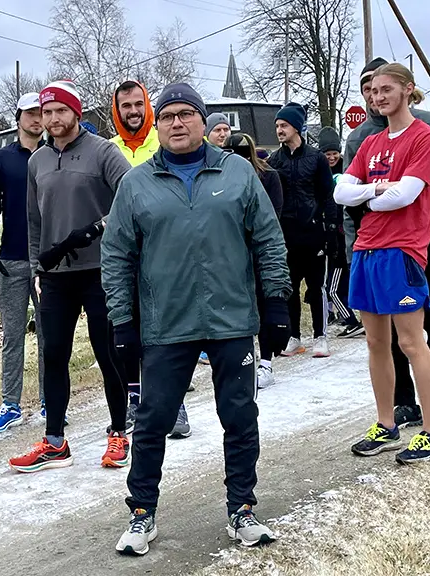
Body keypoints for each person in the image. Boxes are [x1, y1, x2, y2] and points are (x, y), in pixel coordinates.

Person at [102, 83, 291, 556]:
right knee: (152, 420)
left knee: (241, 416)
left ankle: (242, 509)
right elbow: (116, 255)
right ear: (156, 124)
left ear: (204, 122)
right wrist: (123, 322)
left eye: (187, 114)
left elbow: (268, 239)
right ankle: (142, 513)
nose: (178, 123)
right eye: (167, 116)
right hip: (167, 324)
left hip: (231, 320)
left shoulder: (238, 173)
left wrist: (277, 302)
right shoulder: (136, 184)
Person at [9, 80, 133, 473]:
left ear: (76, 113)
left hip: (101, 271)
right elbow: (33, 220)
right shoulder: (37, 162)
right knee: (54, 355)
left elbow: (136, 198)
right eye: (46, 112)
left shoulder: (103, 153)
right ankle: (54, 442)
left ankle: (118, 433)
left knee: (108, 353)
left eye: (60, 110)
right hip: (55, 275)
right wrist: (35, 267)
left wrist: (97, 229)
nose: (53, 119)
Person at [335, 62, 430, 464]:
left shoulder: (426, 136)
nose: (377, 96)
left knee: (411, 341)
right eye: (372, 91)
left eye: (386, 89)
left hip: (402, 251)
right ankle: (387, 425)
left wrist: (368, 194)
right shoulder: (369, 142)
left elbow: (403, 196)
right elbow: (340, 193)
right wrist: (375, 190)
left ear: (407, 90)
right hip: (366, 249)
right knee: (375, 342)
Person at [110, 80, 191, 438]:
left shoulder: (164, 143)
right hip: (126, 255)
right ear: (117, 110)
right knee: (126, 330)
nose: (132, 112)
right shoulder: (106, 149)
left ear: (148, 108)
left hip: (165, 255)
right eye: (125, 106)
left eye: (138, 105)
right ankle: (134, 399)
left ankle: (177, 406)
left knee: (167, 332)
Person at [0, 93, 48, 433]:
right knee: (13, 334)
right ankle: (10, 404)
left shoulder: (55, 155)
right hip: (12, 260)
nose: (38, 119)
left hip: (49, 261)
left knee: (49, 334)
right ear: (19, 117)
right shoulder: (1, 160)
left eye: (42, 113)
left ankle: (51, 400)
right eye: (31, 113)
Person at [268, 102, 339, 358]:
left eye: (284, 125)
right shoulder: (274, 160)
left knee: (316, 285)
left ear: (296, 127)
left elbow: (327, 195)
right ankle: (294, 336)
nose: (279, 130)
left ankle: (321, 335)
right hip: (286, 234)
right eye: (277, 125)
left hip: (313, 232)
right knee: (290, 286)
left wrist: (331, 230)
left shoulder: (316, 158)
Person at [225, 132, 286, 388]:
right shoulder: (223, 178)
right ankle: (243, 358)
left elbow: (271, 217)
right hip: (231, 254)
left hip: (256, 251)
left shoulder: (268, 176)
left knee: (262, 306)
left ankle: (266, 362)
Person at [318, 127, 363, 338]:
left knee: (333, 289)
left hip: (345, 238)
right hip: (334, 238)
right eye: (327, 154)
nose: (331, 157)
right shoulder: (321, 175)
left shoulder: (348, 173)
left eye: (334, 153)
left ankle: (352, 321)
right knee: (341, 286)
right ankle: (353, 319)